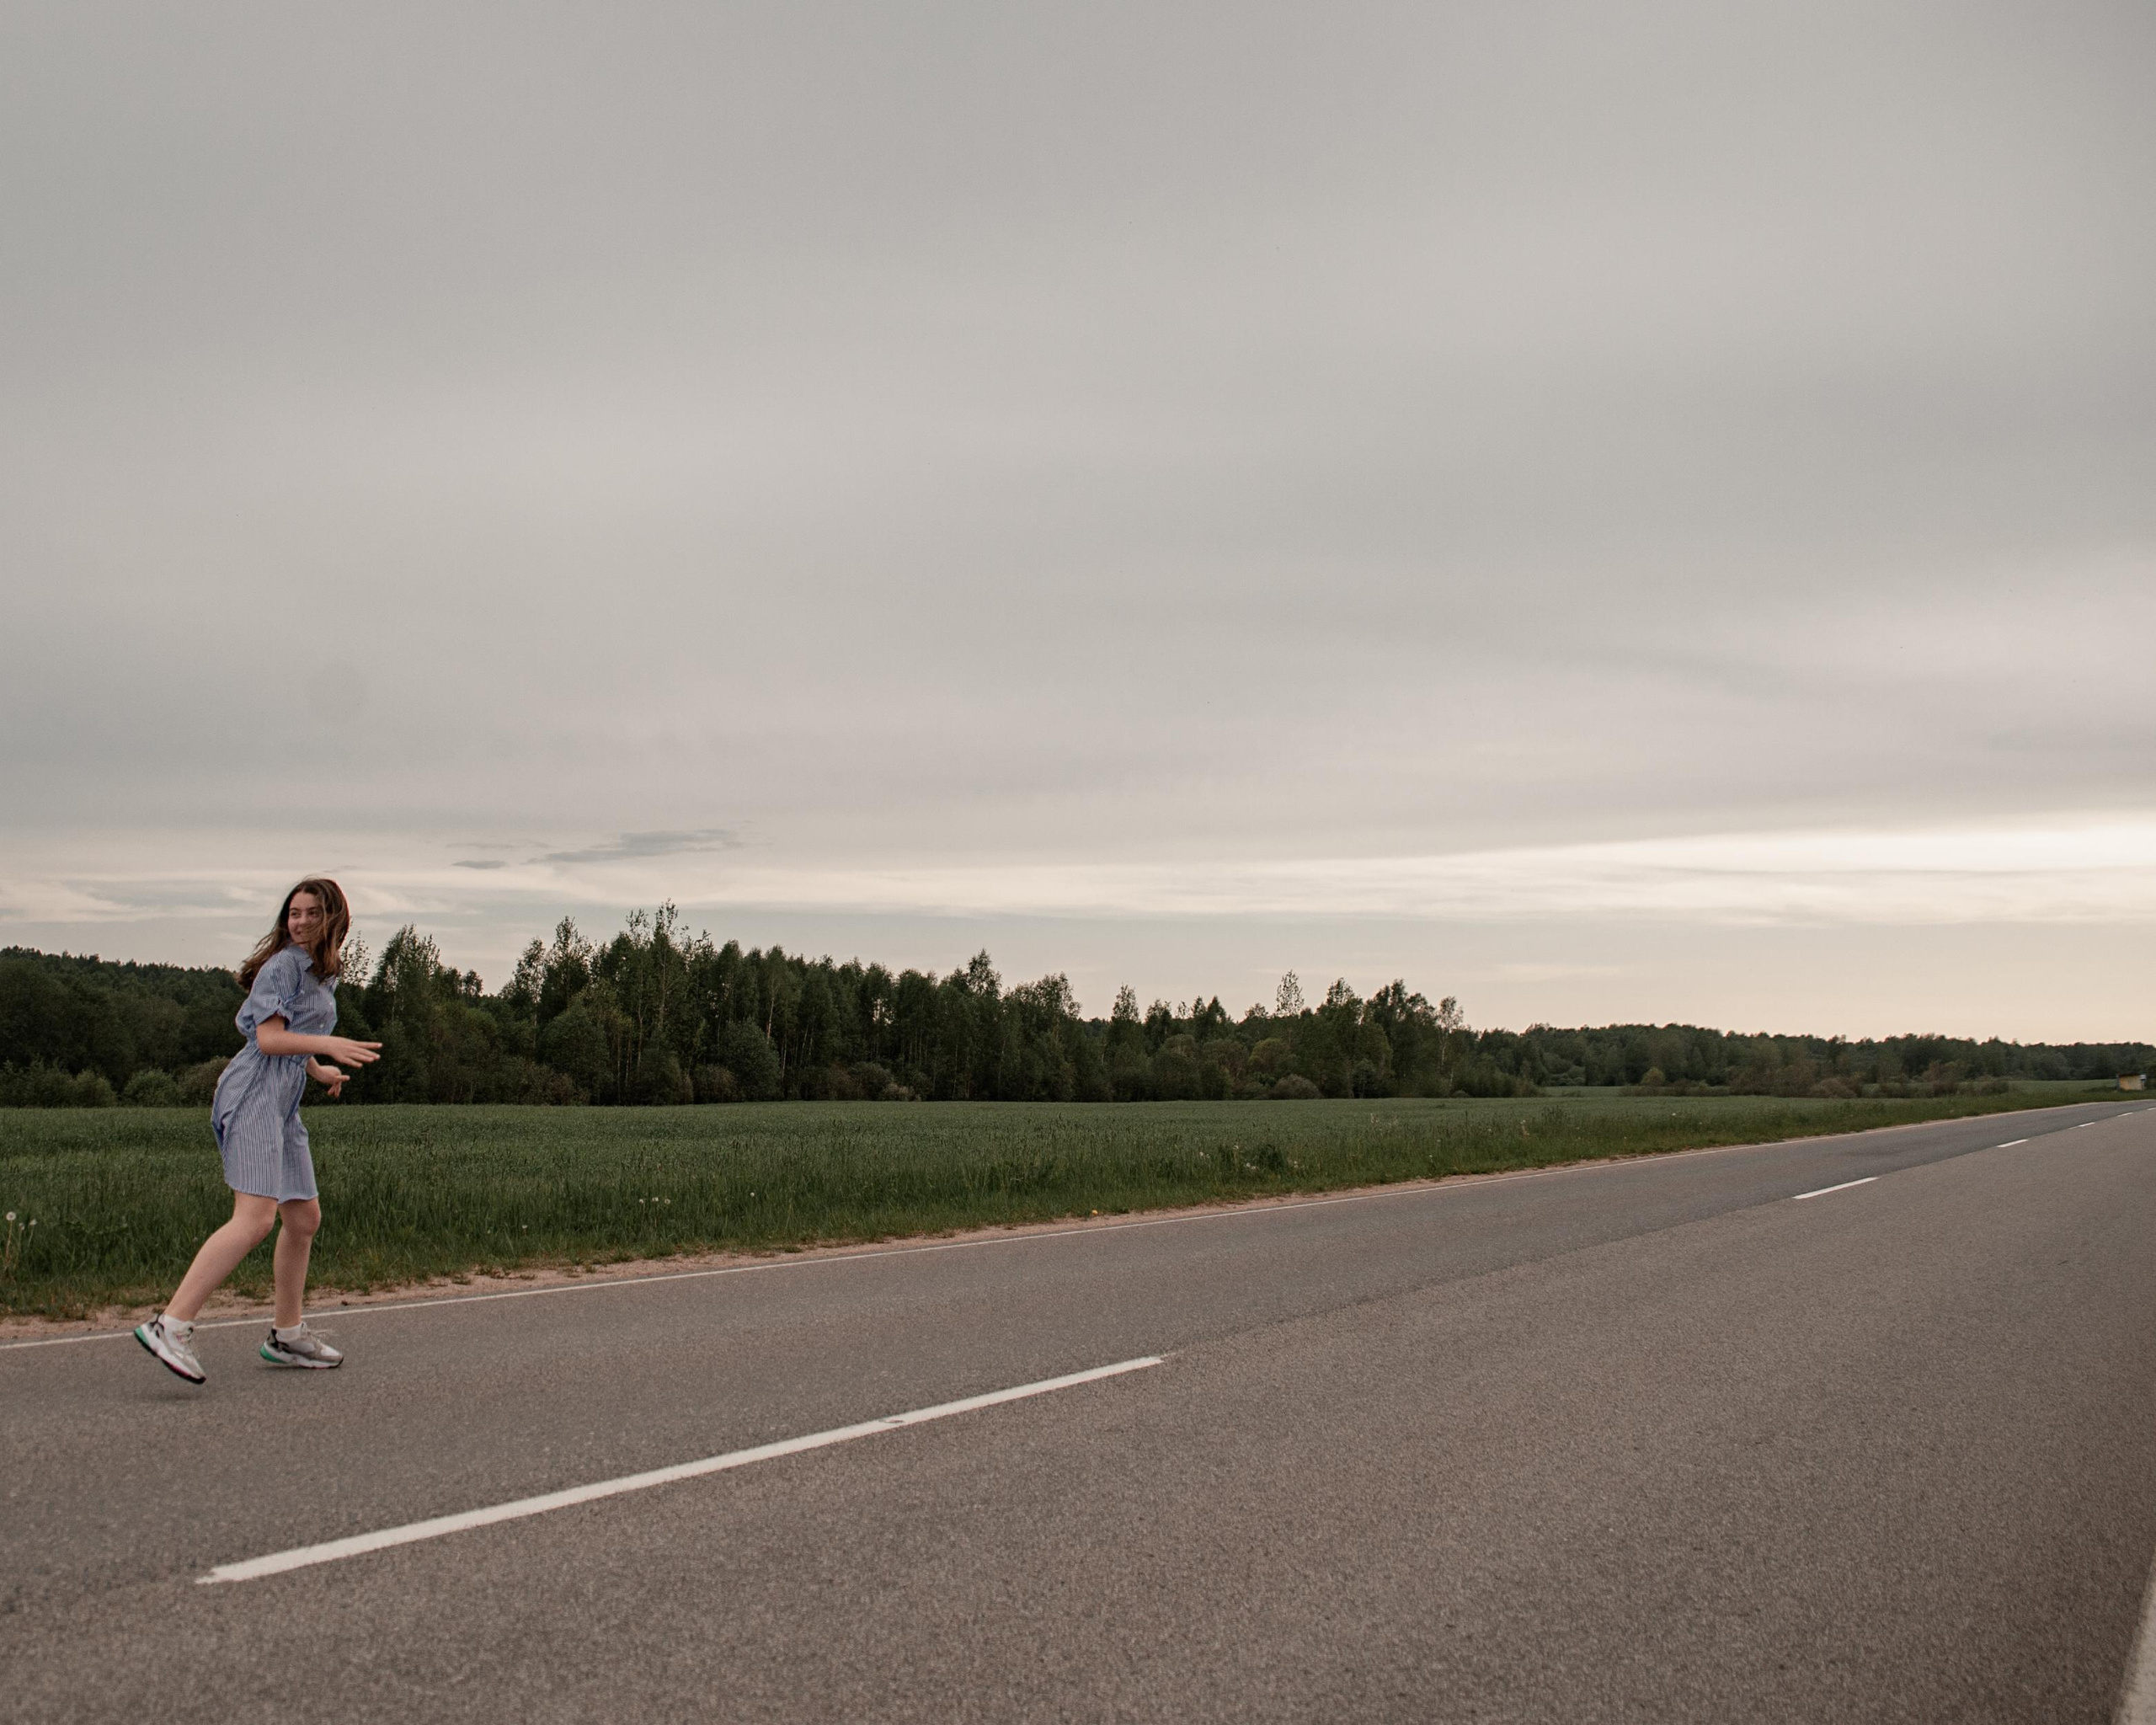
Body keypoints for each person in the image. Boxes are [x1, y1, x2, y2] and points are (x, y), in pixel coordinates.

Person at [134, 878, 381, 1384]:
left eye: (313, 913)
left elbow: (289, 1033)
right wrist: (329, 1045)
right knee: (254, 1220)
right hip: (252, 1097)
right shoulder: (284, 964)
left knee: (304, 1218)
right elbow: (268, 1040)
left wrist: (316, 1068)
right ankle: (170, 1325)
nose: (301, 921)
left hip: (282, 1106)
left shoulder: (319, 971)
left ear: (335, 919)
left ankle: (286, 1336)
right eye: (294, 913)